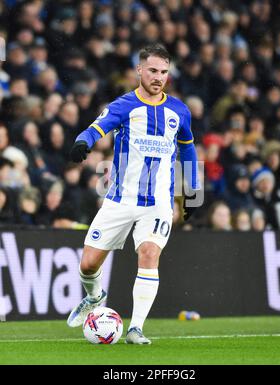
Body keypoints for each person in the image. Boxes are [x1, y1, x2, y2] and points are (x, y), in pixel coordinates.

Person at [67, 44, 200, 344]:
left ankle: (136, 328)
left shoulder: (179, 110)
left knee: (149, 253)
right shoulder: (124, 105)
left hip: (158, 203)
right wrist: (82, 142)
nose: (158, 77)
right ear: (139, 70)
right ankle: (94, 296)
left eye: (164, 72)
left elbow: (188, 148)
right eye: (153, 70)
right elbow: (96, 127)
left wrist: (192, 189)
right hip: (120, 199)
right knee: (88, 265)